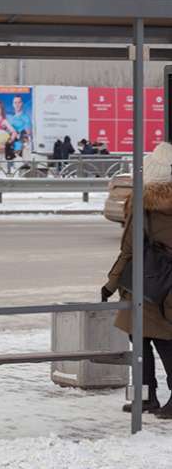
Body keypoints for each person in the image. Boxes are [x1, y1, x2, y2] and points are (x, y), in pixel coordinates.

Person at [102, 141, 172, 419]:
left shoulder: (140, 203)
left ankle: (146, 398)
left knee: (141, 345)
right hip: (167, 288)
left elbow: (129, 251)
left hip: (143, 286)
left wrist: (110, 283)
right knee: (167, 345)